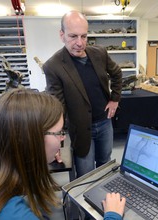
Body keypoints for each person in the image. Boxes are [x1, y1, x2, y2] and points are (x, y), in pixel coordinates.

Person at [0, 89, 125, 220]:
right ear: (30, 140)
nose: (62, 139)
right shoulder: (12, 214)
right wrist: (112, 215)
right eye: (58, 132)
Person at [43, 11, 123, 178]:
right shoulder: (53, 66)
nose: (80, 43)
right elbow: (58, 106)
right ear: (62, 35)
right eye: (73, 36)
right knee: (85, 173)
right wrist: (57, 143)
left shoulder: (99, 53)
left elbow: (117, 74)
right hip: (79, 129)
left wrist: (115, 99)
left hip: (104, 122)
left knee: (105, 164)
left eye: (84, 36)